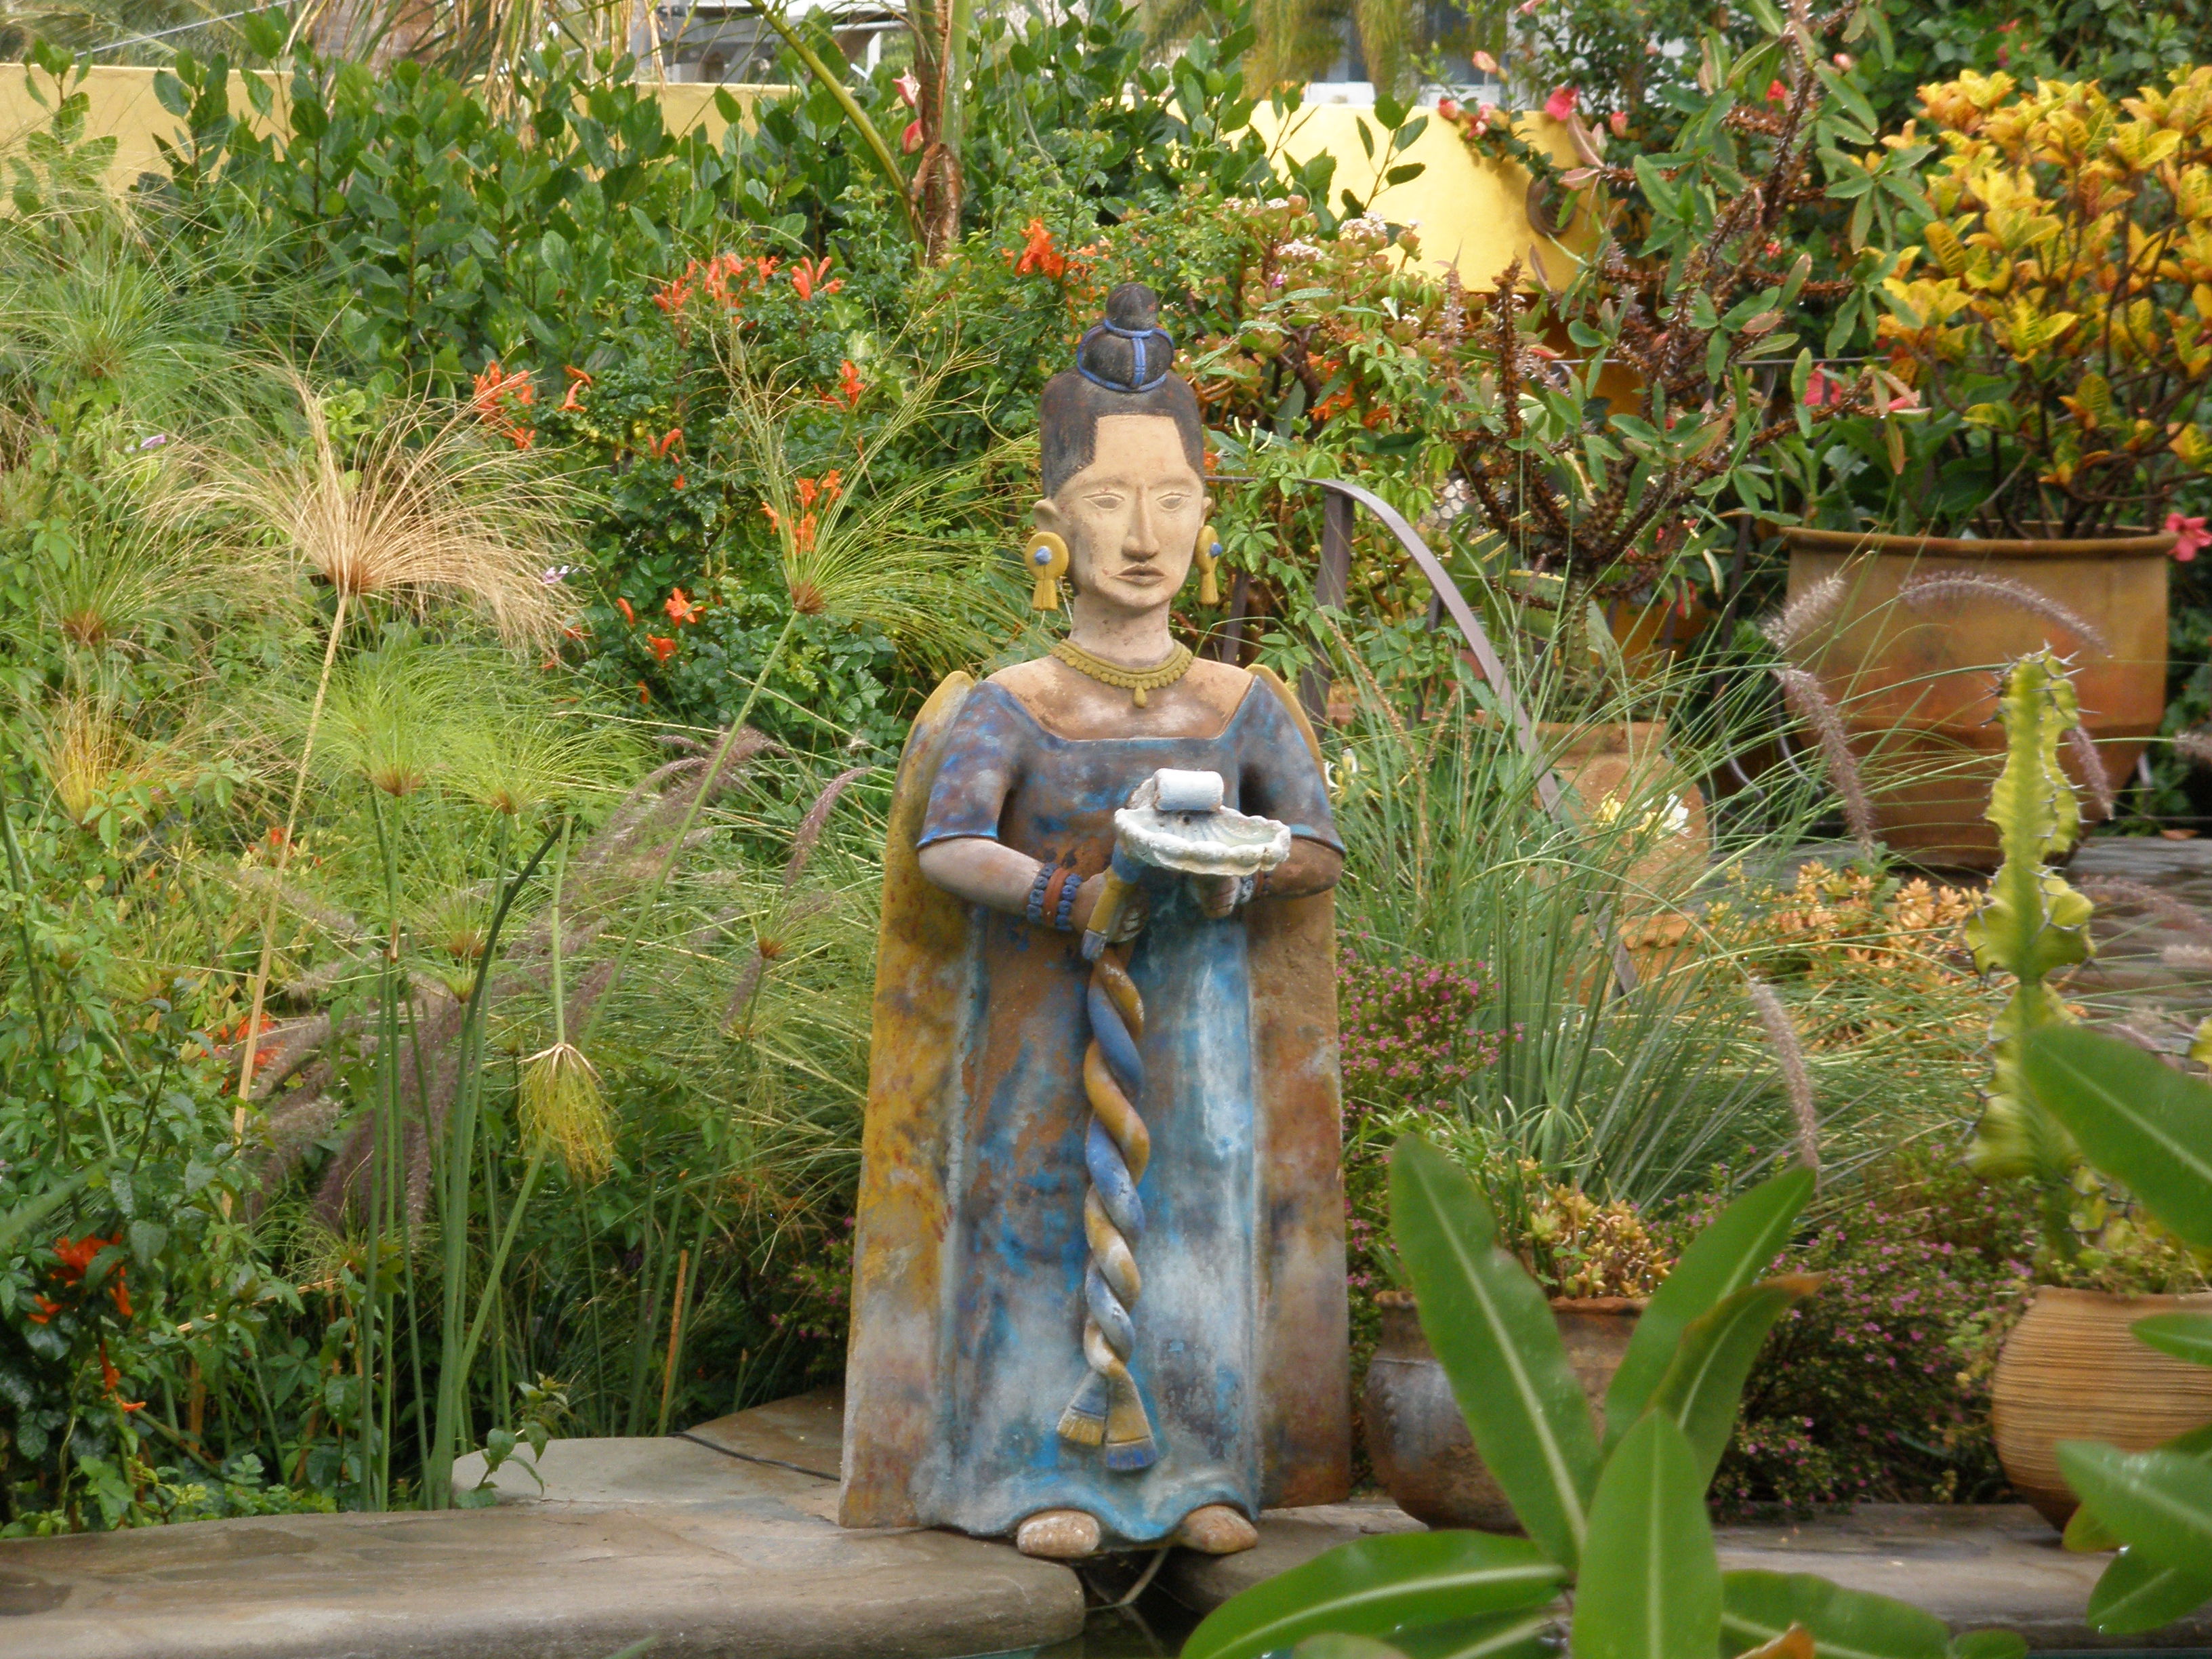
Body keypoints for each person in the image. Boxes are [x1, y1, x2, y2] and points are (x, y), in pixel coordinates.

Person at [840, 284, 1349, 1560]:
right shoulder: (1012, 704)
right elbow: (950, 845)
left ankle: (1196, 1472)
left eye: (1172, 500)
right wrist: (1074, 897)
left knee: (1197, 1219)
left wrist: (1232, 874)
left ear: (1208, 523)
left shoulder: (1245, 703)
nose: (1143, 533)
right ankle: (1027, 1470)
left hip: (1199, 1035)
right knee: (1034, 1216)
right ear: (1051, 530)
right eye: (1108, 501)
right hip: (1036, 1035)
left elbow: (1318, 849)